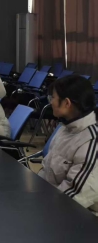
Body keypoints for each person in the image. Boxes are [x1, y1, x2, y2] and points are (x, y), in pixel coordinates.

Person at [40, 75, 98, 215]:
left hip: (74, 215)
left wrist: (39, 207)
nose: (50, 102)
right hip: (50, 201)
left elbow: (74, 196)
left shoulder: (91, 141)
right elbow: (46, 169)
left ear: (66, 103)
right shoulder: (66, 127)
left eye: (53, 98)